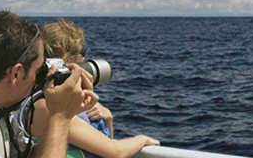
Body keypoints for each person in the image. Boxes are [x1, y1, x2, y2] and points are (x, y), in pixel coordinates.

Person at [0, 10, 99, 158]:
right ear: (17, 74)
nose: (39, 81)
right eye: (39, 71)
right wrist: (60, 117)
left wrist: (64, 113)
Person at [18, 18, 159, 158]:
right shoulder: (47, 107)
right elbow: (116, 152)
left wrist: (107, 119)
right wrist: (143, 139)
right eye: (80, 52)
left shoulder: (58, 103)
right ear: (64, 61)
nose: (83, 58)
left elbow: (102, 149)